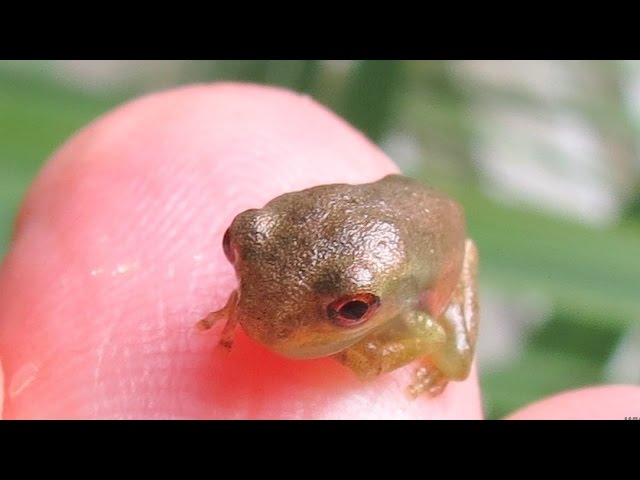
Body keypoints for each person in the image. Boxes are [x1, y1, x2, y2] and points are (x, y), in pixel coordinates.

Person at [0, 83, 637, 419]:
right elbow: (278, 253)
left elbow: (429, 334)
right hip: (376, 214)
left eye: (351, 308)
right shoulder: (273, 241)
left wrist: (374, 351)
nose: (262, 314)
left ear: (369, 298)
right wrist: (243, 299)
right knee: (295, 272)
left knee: (458, 352)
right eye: (236, 248)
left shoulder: (404, 293)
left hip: (424, 244)